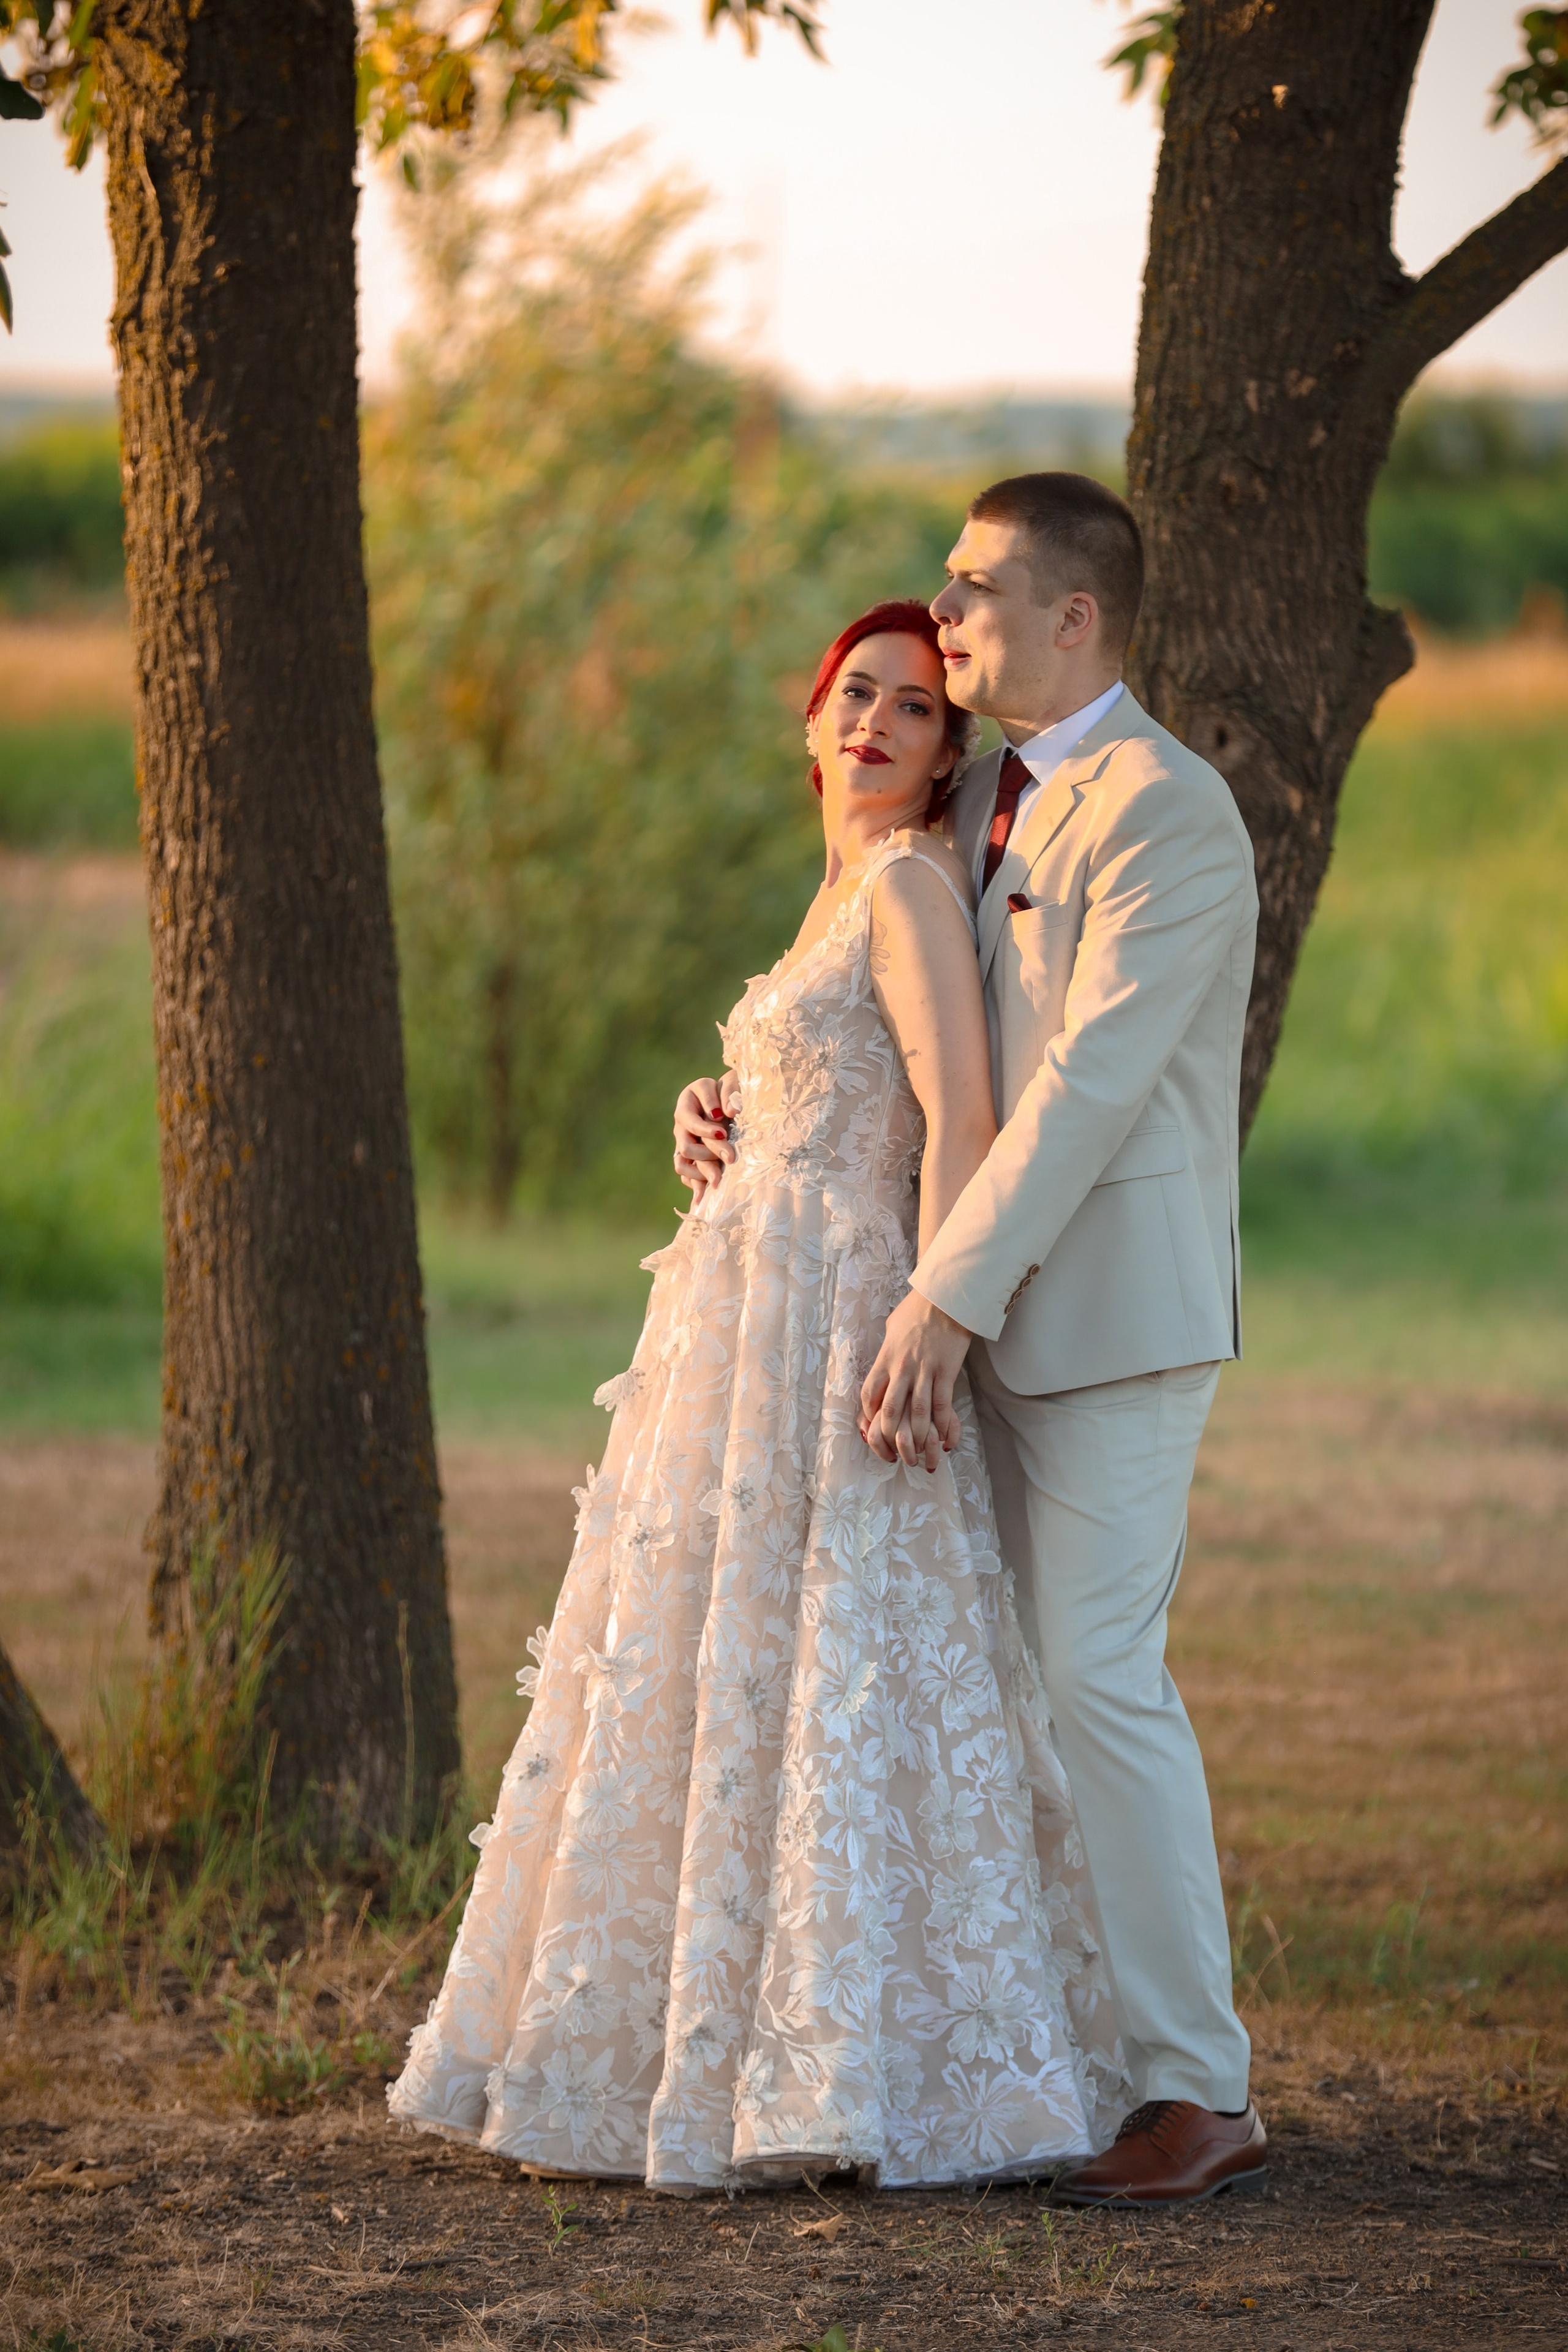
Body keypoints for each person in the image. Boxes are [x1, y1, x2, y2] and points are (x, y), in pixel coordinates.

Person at [388, 598, 1131, 2191]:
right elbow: (829, 1077)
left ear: (946, 759)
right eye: (853, 695)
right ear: (812, 722)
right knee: (728, 1675)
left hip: (838, 1321)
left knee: (844, 1668)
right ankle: (707, 2045)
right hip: (738, 1318)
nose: (874, 721)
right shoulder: (828, 903)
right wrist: (721, 1112)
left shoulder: (913, 889)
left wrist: (935, 1318)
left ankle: (862, 2061)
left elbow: (963, 1114)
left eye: (915, 710)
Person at [695, 470, 1267, 2211]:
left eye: (973, 591)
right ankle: (1032, 2053)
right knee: (990, 1703)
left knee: (1096, 1681)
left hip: (1096, 1323)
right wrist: (748, 1108)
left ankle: (1197, 2087)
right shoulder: (974, 812)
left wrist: (943, 1297)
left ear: (1073, 615)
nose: (943, 619)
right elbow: (894, 1036)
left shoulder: (1169, 815)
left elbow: (1085, 1093)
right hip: (942, 1319)